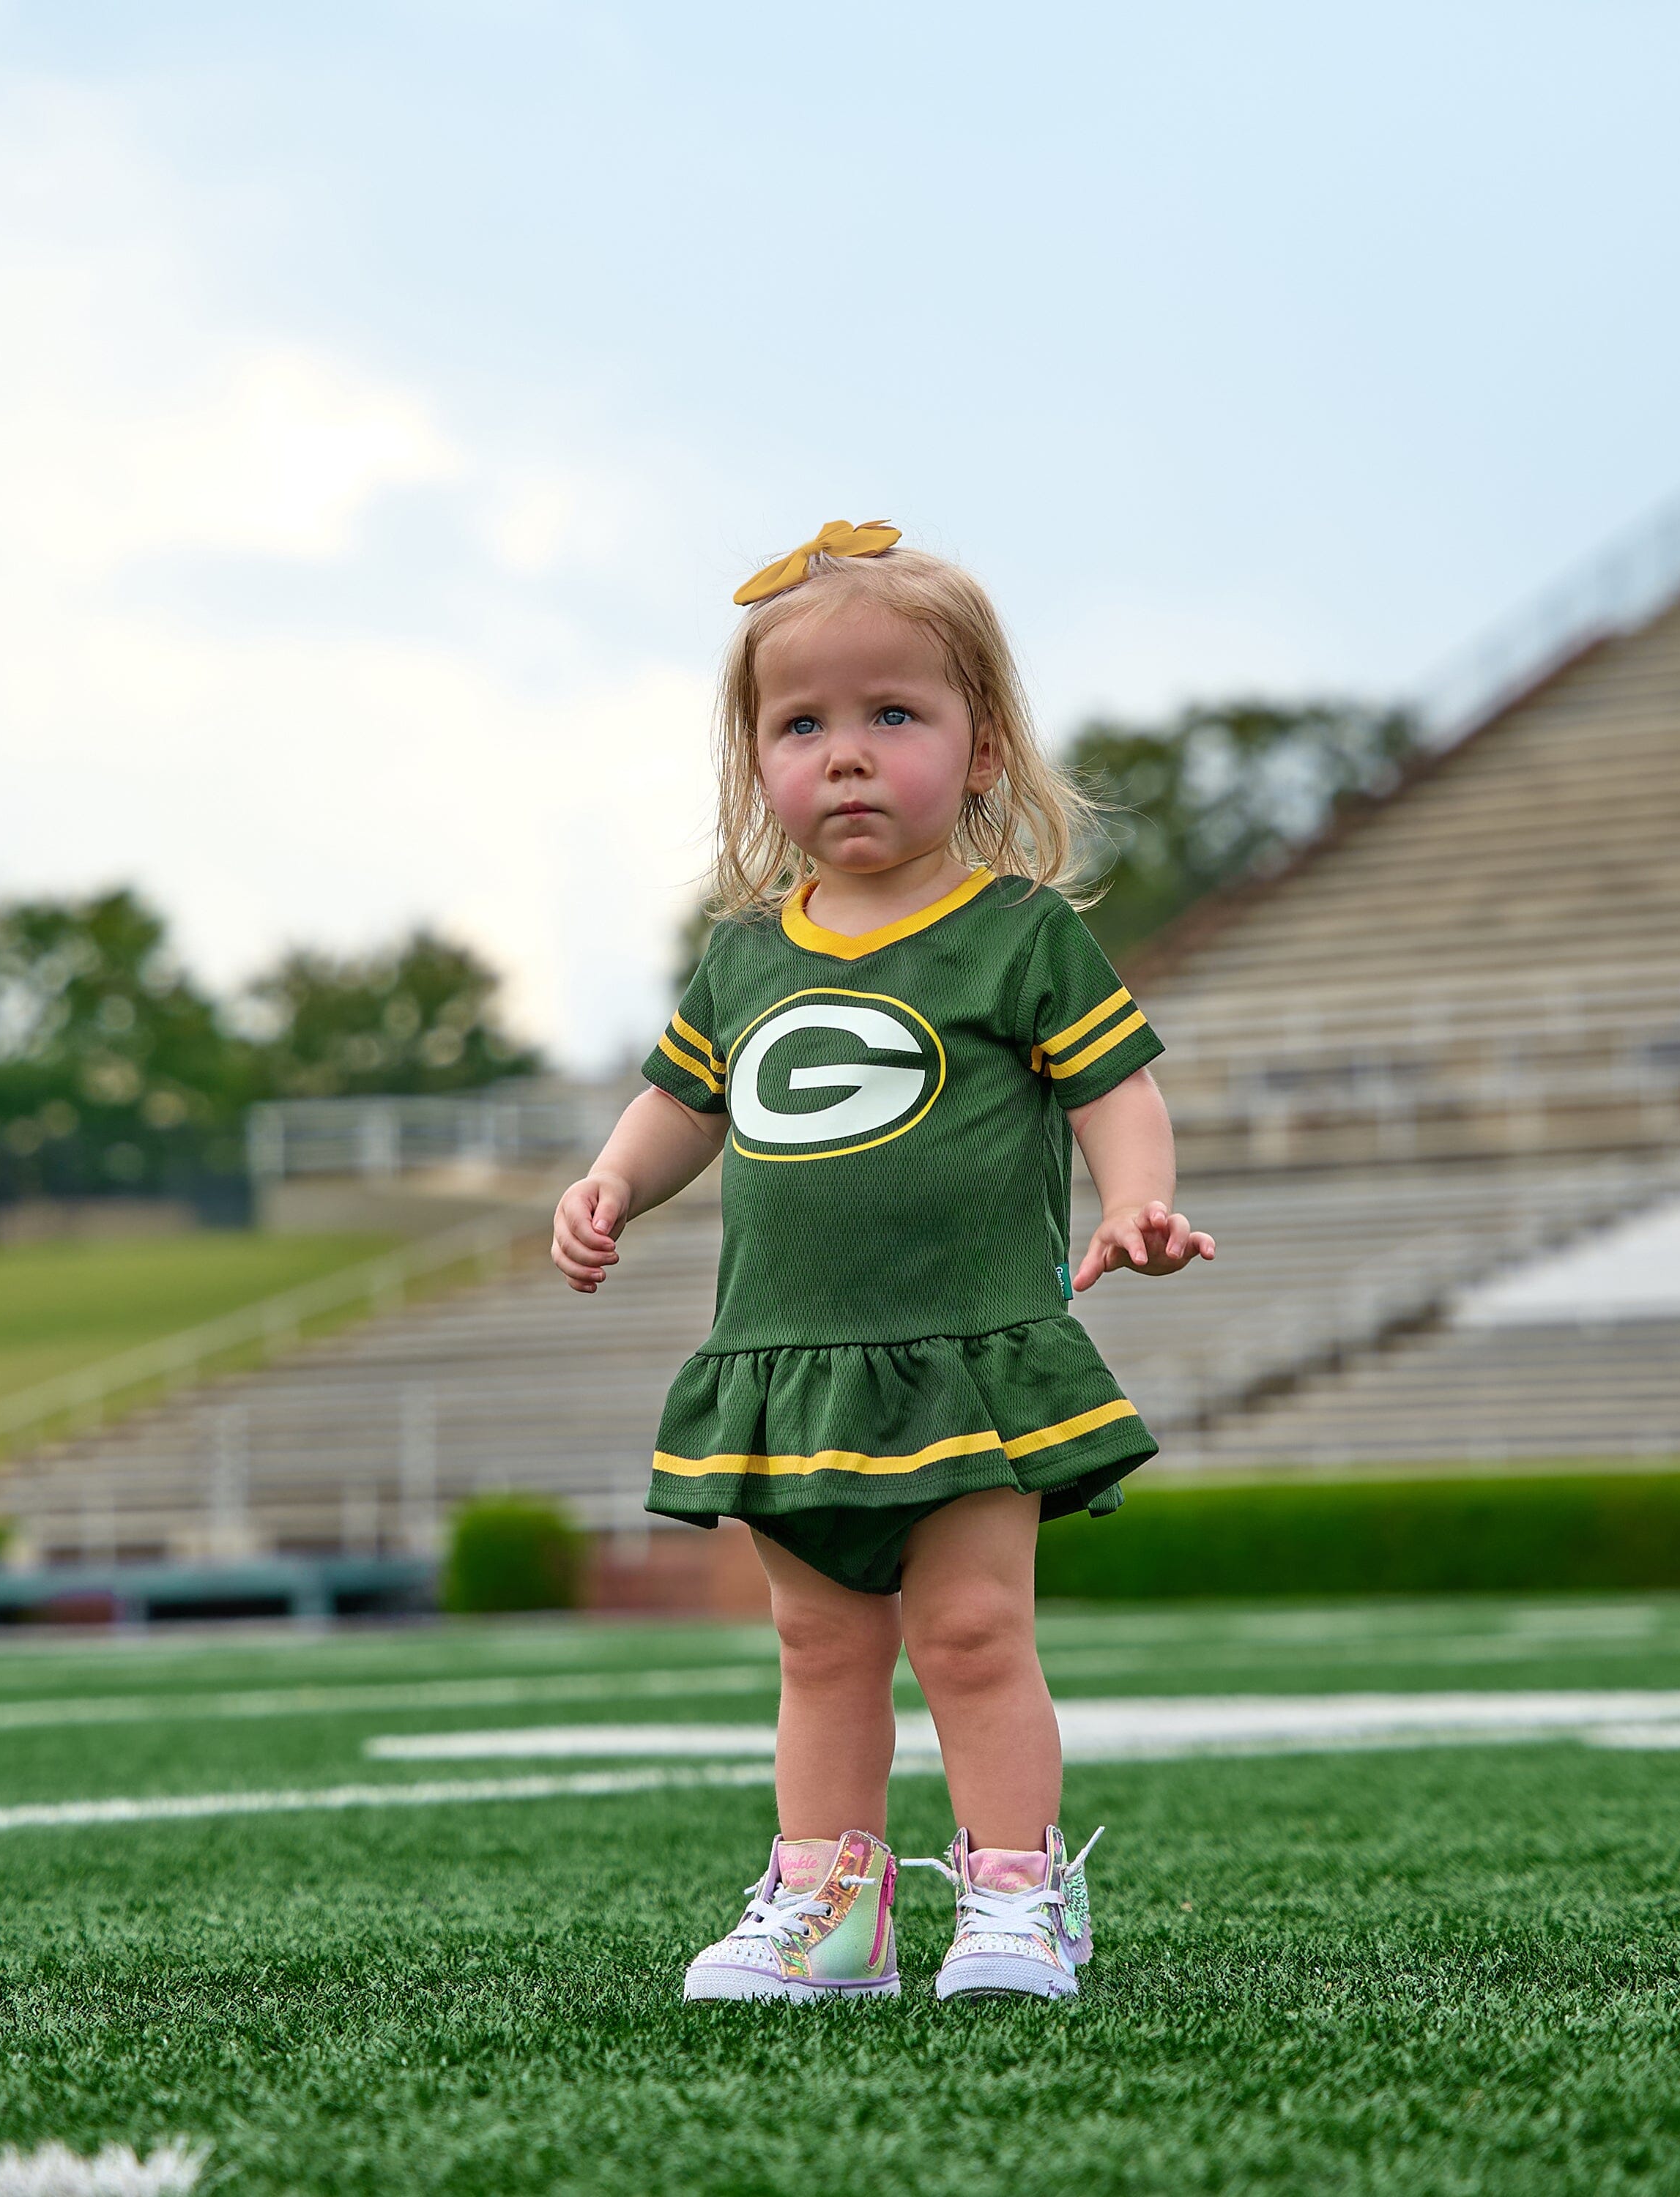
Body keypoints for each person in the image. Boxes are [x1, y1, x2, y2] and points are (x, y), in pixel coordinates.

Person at [551, 520, 1214, 2003]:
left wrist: (1138, 1201)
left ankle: (1017, 1897)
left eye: (893, 715)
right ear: (757, 762)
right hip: (792, 1364)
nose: (845, 754)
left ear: (983, 751)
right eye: (803, 724)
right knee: (817, 1647)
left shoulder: (1017, 936)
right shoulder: (743, 958)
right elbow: (681, 1106)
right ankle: (833, 1908)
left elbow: (1118, 1089)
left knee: (974, 1634)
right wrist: (610, 1181)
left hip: (968, 1350)